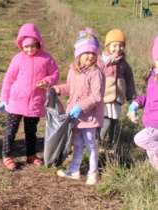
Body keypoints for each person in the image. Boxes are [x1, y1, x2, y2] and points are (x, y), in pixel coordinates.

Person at [0, 23, 59, 171]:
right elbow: (9, 79)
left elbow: (55, 74)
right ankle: (6, 155)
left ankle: (31, 154)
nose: (29, 49)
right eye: (26, 47)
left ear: (39, 43)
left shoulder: (46, 58)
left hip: (35, 101)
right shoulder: (18, 59)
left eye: (32, 46)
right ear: (21, 46)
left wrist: (47, 81)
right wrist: (4, 99)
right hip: (16, 101)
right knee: (10, 130)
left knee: (31, 130)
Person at [53, 28, 105, 185]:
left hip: (89, 116)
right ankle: (74, 170)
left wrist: (80, 107)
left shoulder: (96, 73)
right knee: (76, 143)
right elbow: (70, 87)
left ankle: (93, 173)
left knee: (90, 143)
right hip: (75, 116)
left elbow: (97, 96)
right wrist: (59, 89)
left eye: (93, 53)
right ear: (79, 54)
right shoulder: (73, 70)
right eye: (86, 52)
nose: (90, 55)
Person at [97, 29, 136, 148]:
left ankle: (111, 146)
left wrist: (132, 98)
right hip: (103, 99)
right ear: (107, 46)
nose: (118, 48)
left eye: (121, 45)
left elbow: (130, 82)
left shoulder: (124, 64)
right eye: (114, 45)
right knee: (106, 122)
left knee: (114, 123)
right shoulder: (100, 62)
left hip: (117, 100)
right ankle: (99, 143)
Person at [127, 35, 158, 172]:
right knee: (151, 154)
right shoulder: (153, 76)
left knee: (140, 139)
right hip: (149, 120)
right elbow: (148, 96)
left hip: (156, 122)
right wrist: (135, 104)